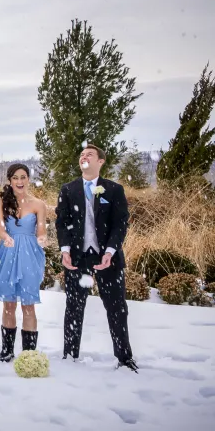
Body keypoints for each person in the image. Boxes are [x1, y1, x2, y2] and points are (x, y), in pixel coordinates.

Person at [56, 145, 137, 371]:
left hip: (107, 258)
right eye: (82, 154)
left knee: (117, 307)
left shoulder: (113, 190)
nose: (84, 156)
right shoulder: (68, 189)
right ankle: (70, 356)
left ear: (100, 161)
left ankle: (124, 357)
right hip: (77, 257)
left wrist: (110, 252)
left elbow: (120, 224)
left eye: (89, 154)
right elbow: (61, 222)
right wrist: (64, 250)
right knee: (73, 306)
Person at [0, 163, 47, 362]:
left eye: (23, 177)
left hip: (30, 255)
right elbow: (0, 229)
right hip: (8, 252)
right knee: (8, 304)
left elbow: (41, 231)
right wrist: (6, 238)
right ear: (10, 180)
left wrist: (42, 239)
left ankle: (29, 355)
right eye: (15, 178)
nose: (20, 181)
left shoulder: (39, 204)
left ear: (28, 179)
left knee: (29, 305)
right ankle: (7, 350)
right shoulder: (0, 201)